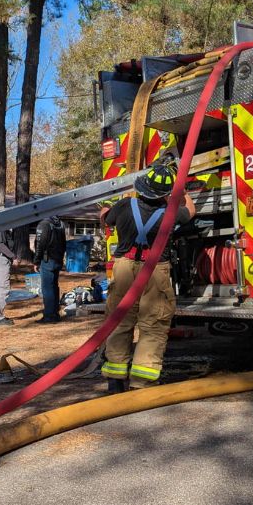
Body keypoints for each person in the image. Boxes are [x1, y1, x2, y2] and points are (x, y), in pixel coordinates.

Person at [99, 159, 195, 393]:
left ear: (141, 187)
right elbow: (190, 212)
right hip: (155, 270)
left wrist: (104, 207)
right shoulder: (170, 213)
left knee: (119, 320)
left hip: (124, 267)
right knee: (153, 324)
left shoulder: (123, 206)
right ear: (164, 194)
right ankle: (142, 383)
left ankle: (115, 380)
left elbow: (105, 217)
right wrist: (182, 192)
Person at [34, 215, 66, 323]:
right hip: (57, 259)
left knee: (47, 288)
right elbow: (64, 244)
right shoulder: (60, 224)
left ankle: (49, 315)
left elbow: (40, 244)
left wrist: (37, 261)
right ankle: (55, 313)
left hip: (47, 260)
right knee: (54, 287)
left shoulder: (44, 224)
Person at [0, 214, 18, 326]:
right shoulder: (1, 227)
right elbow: (1, 245)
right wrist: (13, 256)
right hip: (1, 259)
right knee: (3, 288)